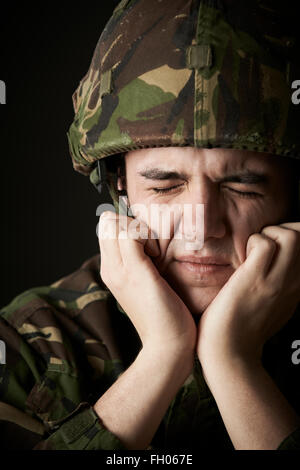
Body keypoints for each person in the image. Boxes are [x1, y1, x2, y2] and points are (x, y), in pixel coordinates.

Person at [1, 0, 300, 450]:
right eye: (163, 185)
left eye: (242, 186)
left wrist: (233, 363)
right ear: (121, 190)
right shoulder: (31, 345)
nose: (200, 228)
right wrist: (163, 356)